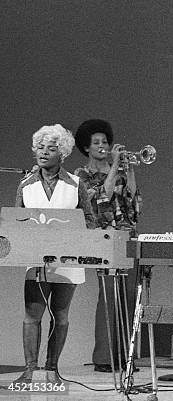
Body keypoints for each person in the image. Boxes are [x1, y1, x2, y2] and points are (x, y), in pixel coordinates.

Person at [13, 124, 95, 385]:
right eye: (39, 147)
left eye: (50, 148)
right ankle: (29, 369)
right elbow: (15, 222)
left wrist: (73, 232)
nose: (43, 152)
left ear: (63, 154)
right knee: (33, 314)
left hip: (68, 261)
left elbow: (90, 220)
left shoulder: (75, 184)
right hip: (35, 260)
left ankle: (51, 369)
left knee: (60, 315)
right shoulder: (25, 185)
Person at [73, 119, 142, 373]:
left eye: (105, 141)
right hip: (104, 239)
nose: (103, 146)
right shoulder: (82, 176)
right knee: (110, 297)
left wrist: (129, 169)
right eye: (97, 143)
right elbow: (101, 199)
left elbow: (134, 206)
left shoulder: (121, 172)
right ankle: (104, 358)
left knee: (131, 298)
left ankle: (127, 356)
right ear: (86, 148)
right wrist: (114, 167)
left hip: (128, 237)